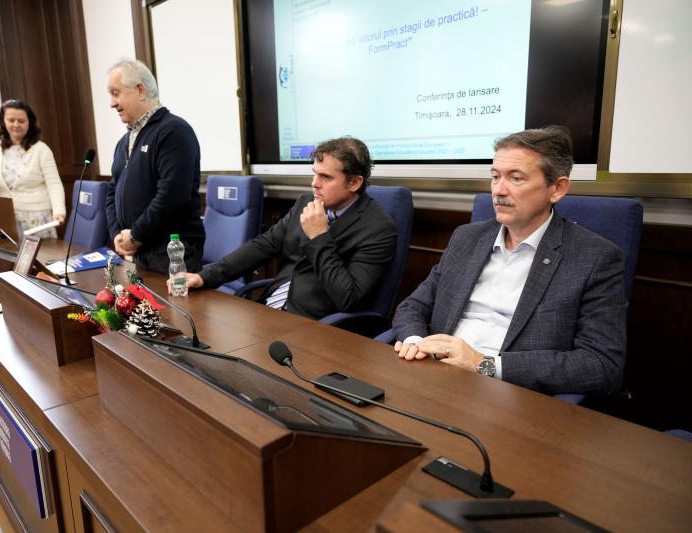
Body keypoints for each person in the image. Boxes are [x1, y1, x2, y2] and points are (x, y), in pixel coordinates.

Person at [392, 126, 627, 396]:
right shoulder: (467, 238)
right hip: (433, 376)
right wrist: (416, 343)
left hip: (510, 394)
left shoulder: (594, 258)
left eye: (516, 178)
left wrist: (484, 365)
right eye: (495, 177)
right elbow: (413, 306)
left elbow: (601, 365)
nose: (499, 190)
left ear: (557, 188)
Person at [182, 137, 397, 320]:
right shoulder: (307, 202)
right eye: (315, 173)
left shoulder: (378, 229)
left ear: (354, 183)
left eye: (326, 177)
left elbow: (348, 297)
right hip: (272, 308)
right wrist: (205, 276)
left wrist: (319, 237)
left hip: (314, 323)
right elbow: (264, 246)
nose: (314, 183)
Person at [106, 59, 205, 273]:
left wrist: (136, 235)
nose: (111, 103)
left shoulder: (174, 131)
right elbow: (112, 192)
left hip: (171, 253)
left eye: (116, 93)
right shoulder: (124, 142)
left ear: (140, 91)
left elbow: (172, 195)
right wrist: (118, 235)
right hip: (139, 252)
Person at [0, 99, 65, 238]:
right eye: (11, 120)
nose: (16, 125)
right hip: (7, 215)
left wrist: (59, 211)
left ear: (30, 122)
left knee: (41, 252)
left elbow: (54, 183)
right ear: (3, 121)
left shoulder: (41, 149)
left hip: (37, 217)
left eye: (21, 121)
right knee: (12, 252)